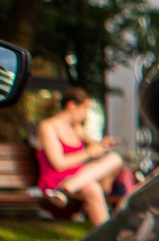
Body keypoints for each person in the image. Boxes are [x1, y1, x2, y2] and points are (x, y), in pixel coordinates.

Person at [33, 87, 127, 225]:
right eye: (85, 109)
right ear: (71, 106)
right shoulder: (47, 127)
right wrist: (88, 153)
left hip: (78, 180)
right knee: (93, 187)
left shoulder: (77, 128)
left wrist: (104, 145)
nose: (86, 115)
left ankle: (65, 190)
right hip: (55, 181)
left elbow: (95, 145)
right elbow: (58, 163)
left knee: (114, 159)